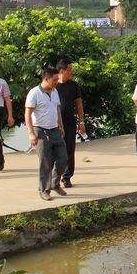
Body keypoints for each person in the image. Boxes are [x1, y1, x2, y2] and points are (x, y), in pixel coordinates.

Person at [25, 66, 68, 201]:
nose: (57, 82)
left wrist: (61, 125)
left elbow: (57, 109)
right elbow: (28, 113)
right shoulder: (34, 93)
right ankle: (44, 189)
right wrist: (31, 133)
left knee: (63, 159)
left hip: (55, 129)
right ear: (46, 79)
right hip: (40, 131)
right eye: (54, 80)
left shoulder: (55, 92)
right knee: (45, 162)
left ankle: (55, 183)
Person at [55, 59, 85, 188]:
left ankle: (67, 177)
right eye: (69, 70)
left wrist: (81, 121)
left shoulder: (73, 85)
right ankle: (55, 176)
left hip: (70, 122)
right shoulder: (53, 85)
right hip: (54, 124)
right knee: (56, 150)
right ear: (62, 71)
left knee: (69, 150)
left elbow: (78, 104)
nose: (71, 72)